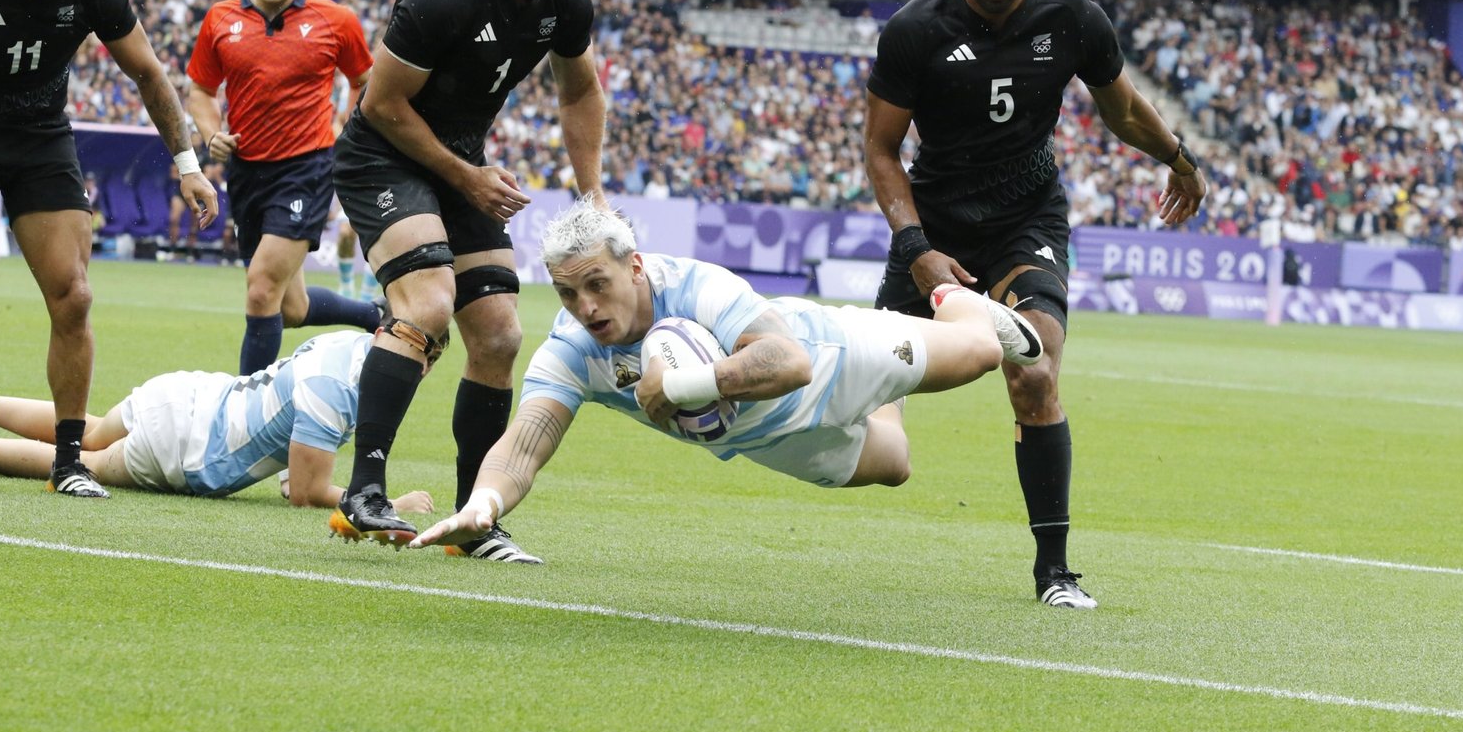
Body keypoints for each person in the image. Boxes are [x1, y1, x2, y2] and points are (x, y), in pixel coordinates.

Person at [863, 0, 1206, 609]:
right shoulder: (915, 29)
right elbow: (881, 150)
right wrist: (918, 250)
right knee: (865, 386)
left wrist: (1179, 157)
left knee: (1036, 371)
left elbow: (1121, 108)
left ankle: (1055, 572)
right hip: (937, 226)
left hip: (1027, 220)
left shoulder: (1070, 14)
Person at [406, 203, 1048, 567]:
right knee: (896, 464)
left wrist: (689, 383)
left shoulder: (694, 284)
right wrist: (483, 507)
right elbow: (524, 444)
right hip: (772, 440)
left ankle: (948, 301)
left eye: (598, 285)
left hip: (830, 357)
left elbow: (789, 362)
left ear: (634, 268)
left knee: (983, 352)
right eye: (569, 293)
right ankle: (897, 379)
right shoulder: (574, 350)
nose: (587, 307)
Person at [329, 0, 607, 563]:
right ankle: (364, 491)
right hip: (382, 155)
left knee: (501, 334)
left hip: (461, 163)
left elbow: (581, 89)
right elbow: (382, 107)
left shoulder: (567, 3)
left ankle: (470, 520)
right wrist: (468, 178)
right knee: (426, 303)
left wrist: (592, 193)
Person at [0, 0, 218, 499]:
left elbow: (149, 74)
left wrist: (187, 164)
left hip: (42, 140)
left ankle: (68, 463)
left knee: (73, 297)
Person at [0, 330, 434, 514]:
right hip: (191, 449)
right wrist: (387, 502)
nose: (419, 371)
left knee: (86, 429)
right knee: (83, 461)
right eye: (420, 359)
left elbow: (295, 459)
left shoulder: (346, 342)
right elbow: (303, 492)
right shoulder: (341, 391)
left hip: (187, 392)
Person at [187, 0, 381, 375]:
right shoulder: (220, 19)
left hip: (307, 168)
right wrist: (212, 133)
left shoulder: (336, 21)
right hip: (247, 171)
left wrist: (344, 128)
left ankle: (243, 412)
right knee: (288, 307)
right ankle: (377, 315)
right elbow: (200, 90)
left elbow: (364, 81)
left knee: (259, 291)